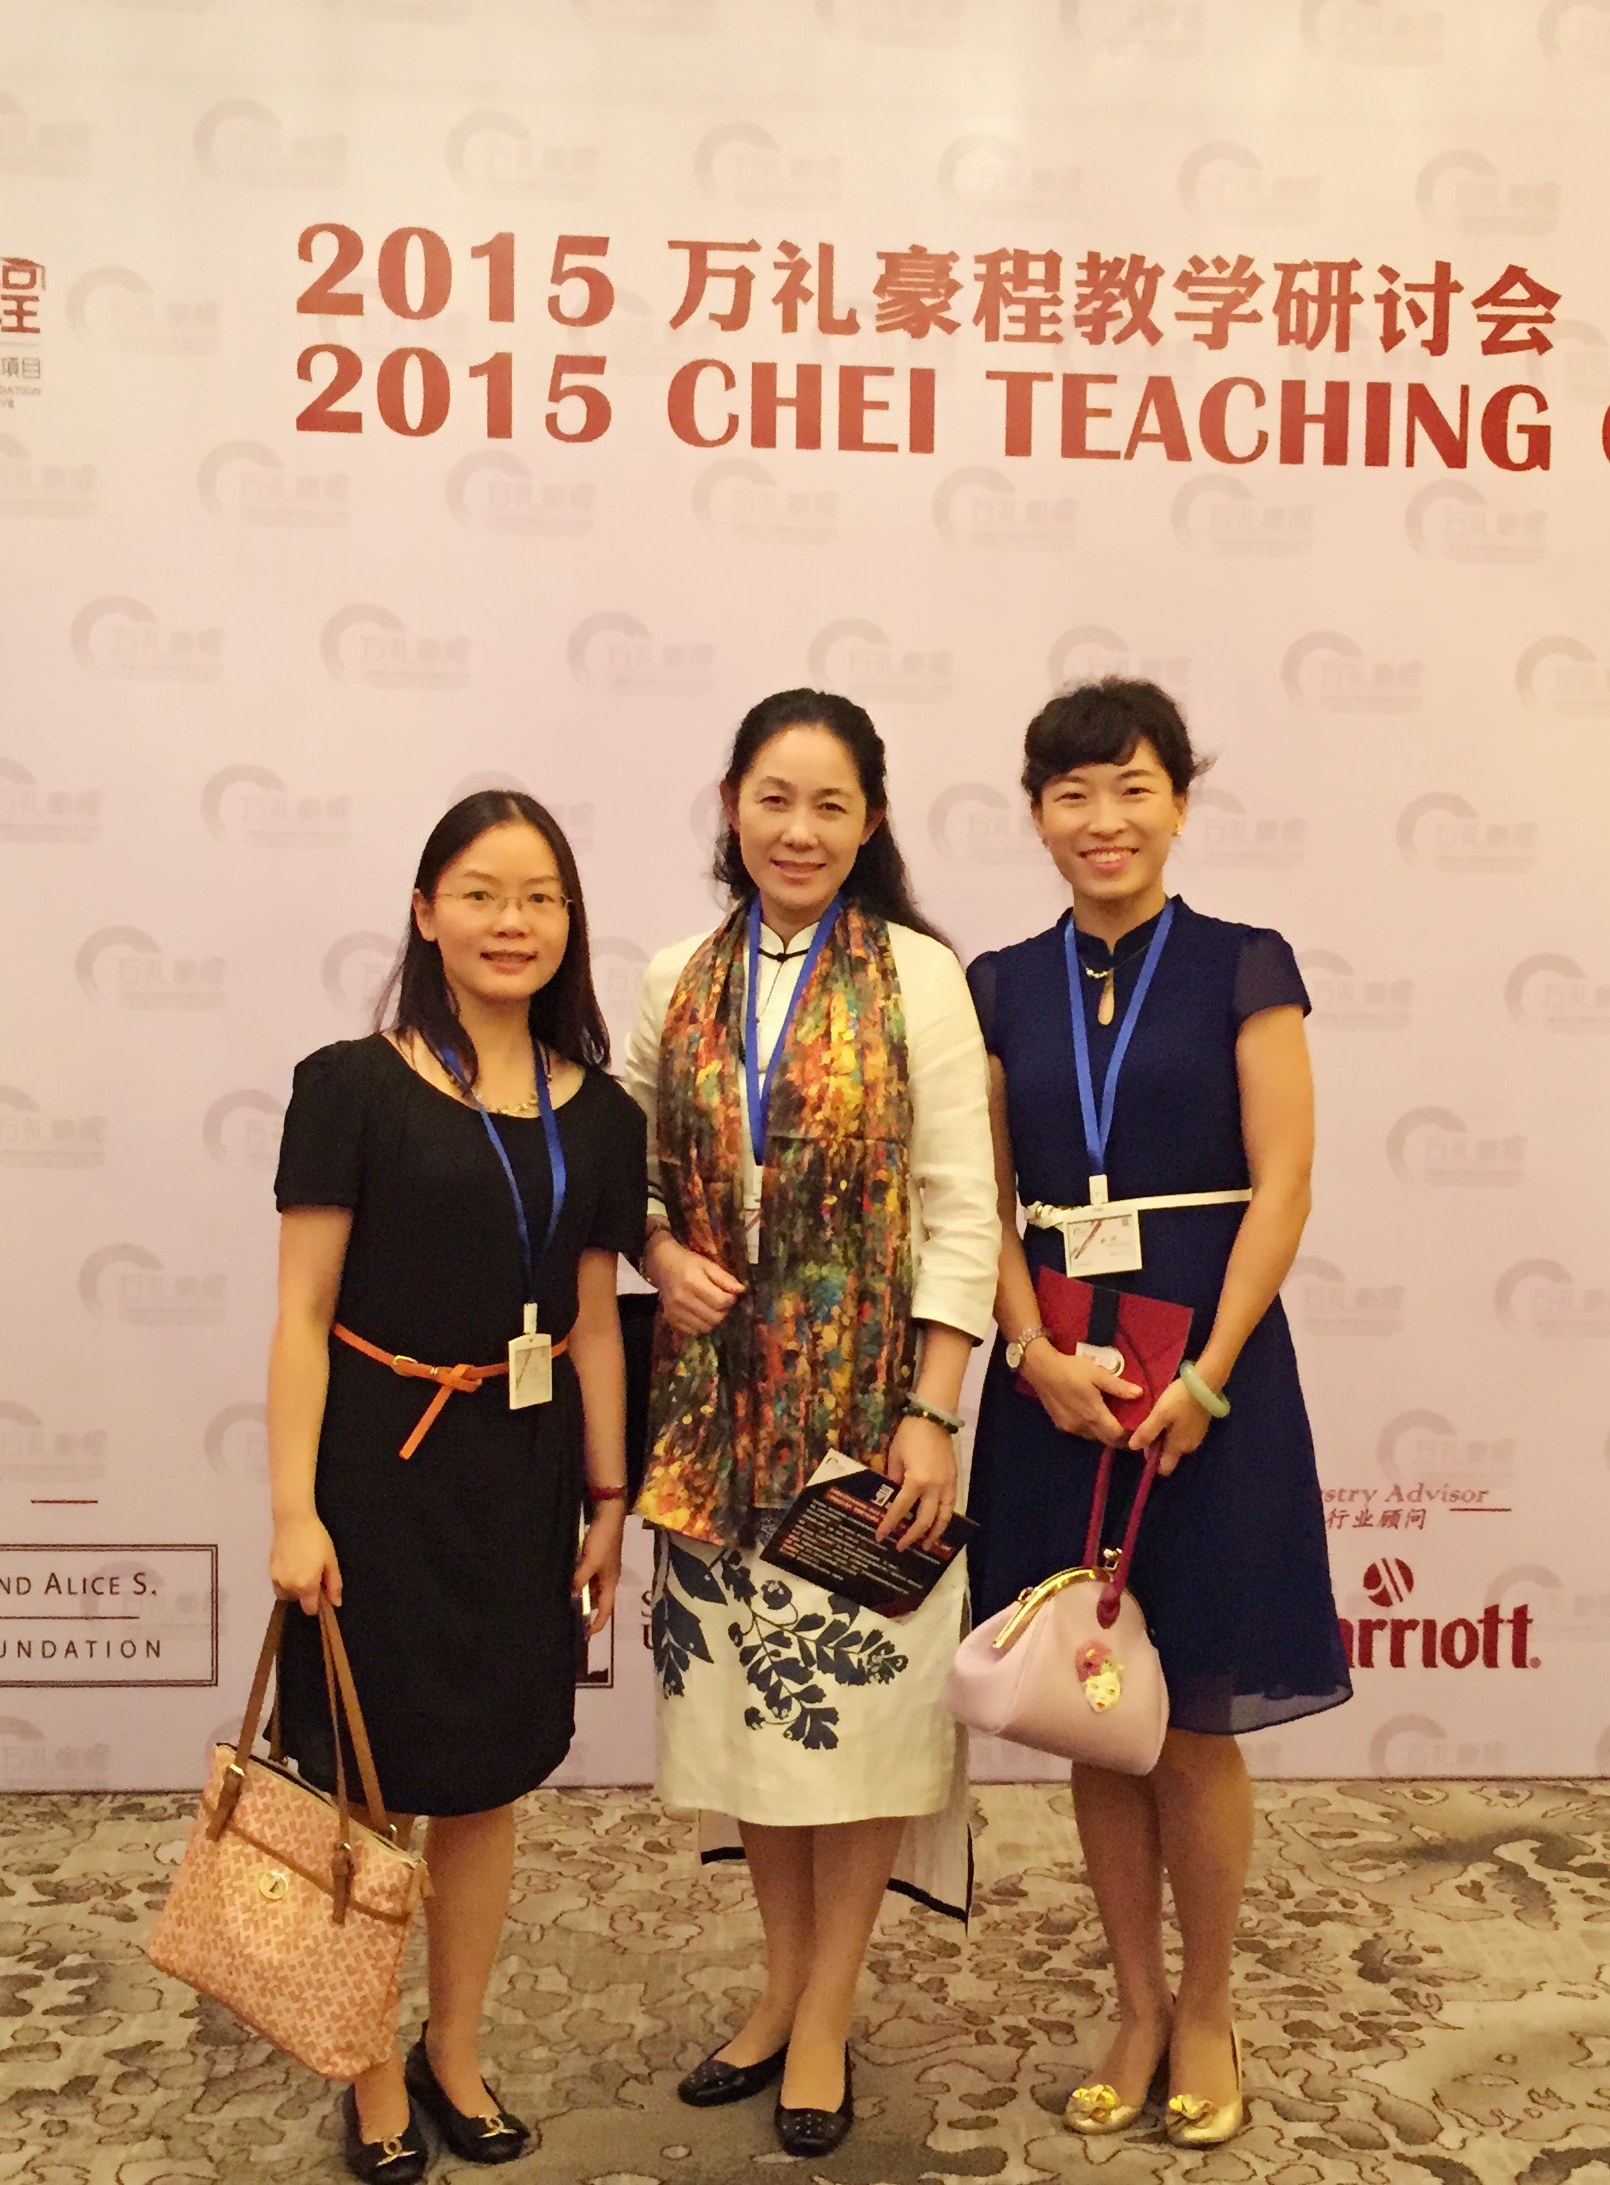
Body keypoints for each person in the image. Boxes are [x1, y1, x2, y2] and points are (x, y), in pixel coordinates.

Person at [964, 678, 1352, 2150]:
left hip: (1210, 1376)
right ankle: (1131, 2004)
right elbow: (978, 1199)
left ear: (1180, 800)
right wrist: (1029, 1353)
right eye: (1071, 794)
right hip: (1057, 1379)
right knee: (1100, 1710)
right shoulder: (999, 984)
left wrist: (1208, 1373)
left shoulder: (1249, 965)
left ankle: (1207, 2006)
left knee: (1192, 1720)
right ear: (1037, 815)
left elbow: (1284, 1185)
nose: (1103, 819)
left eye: (1132, 787)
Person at [624, 689, 998, 2158]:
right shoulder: (674, 978)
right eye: (774, 798)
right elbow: (622, 1166)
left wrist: (933, 1410)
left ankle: (828, 2011)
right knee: (751, 1736)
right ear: (731, 802)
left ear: (872, 821)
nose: (799, 829)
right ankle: (779, 1990)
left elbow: (962, 1207)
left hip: (867, 1432)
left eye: (830, 804)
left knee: (859, 1733)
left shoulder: (920, 978)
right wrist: (658, 1250)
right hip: (710, 1430)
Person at [265, 790, 645, 2183]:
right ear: (427, 912)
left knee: (487, 1783)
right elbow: (302, 1316)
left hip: (522, 1476)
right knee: (370, 1791)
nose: (511, 921)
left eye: (539, 896)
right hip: (375, 1474)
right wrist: (292, 1509)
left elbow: (595, 1322)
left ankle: (456, 2050)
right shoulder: (348, 1087)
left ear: (568, 923)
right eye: (480, 893)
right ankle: (366, 2065)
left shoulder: (601, 1113)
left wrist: (609, 1499)